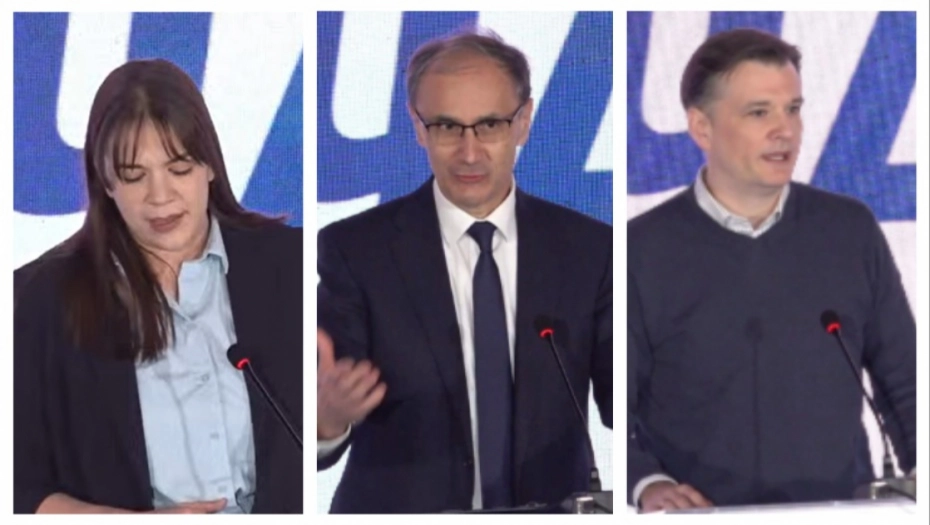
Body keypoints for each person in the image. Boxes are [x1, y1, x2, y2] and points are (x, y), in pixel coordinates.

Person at [316, 28, 612, 513]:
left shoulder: (590, 250)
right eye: (447, 127)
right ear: (418, 127)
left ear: (523, 122)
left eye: (490, 125)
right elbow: (327, 399)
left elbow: (628, 402)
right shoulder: (357, 250)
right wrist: (326, 420)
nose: (469, 152)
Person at [627, 28, 917, 512]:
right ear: (701, 128)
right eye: (760, 112)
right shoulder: (642, 249)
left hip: (840, 512)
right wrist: (646, 483)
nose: (786, 130)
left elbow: (904, 378)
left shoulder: (849, 231)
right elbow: (614, 400)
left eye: (793, 109)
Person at [13, 59, 303, 514]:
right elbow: (19, 487)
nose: (160, 196)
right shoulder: (39, 299)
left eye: (179, 168)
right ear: (105, 180)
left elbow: (317, 441)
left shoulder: (290, 266)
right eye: (134, 174)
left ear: (210, 166)